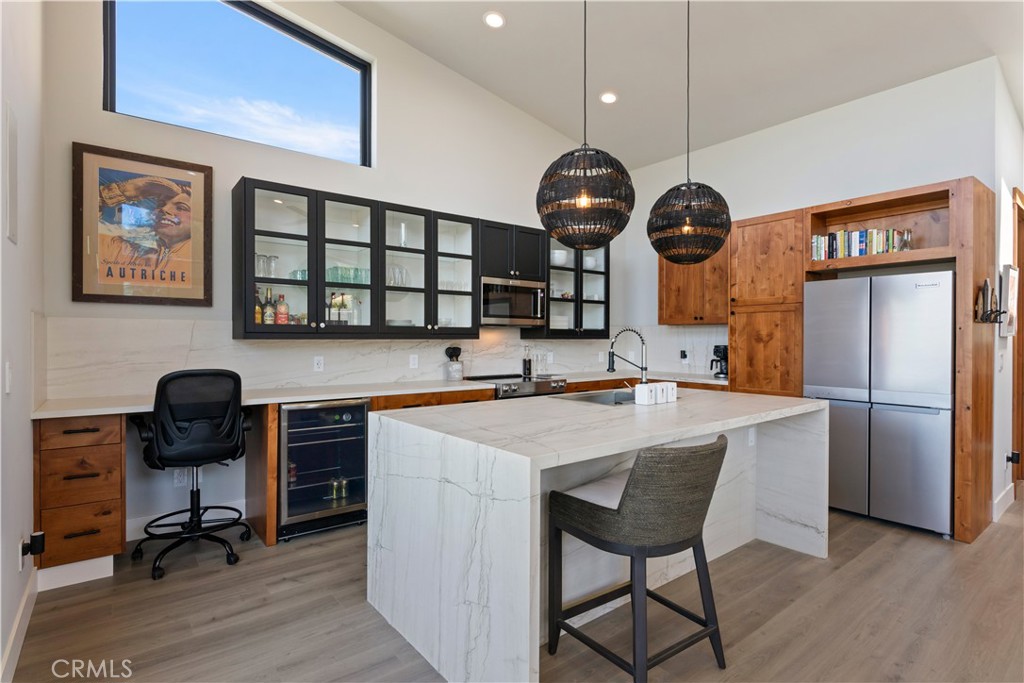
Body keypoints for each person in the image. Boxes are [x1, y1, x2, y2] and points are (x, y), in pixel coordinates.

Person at [96, 174, 194, 284]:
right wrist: (120, 191)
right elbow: (85, 240)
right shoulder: (129, 254)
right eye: (161, 204)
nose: (164, 209)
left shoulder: (198, 263)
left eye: (181, 208)